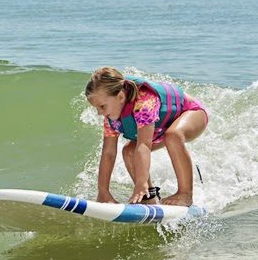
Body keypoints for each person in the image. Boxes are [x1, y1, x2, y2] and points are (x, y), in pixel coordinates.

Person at [85, 66, 208, 206]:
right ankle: (148, 197)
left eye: (102, 106)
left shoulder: (144, 102)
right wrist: (103, 192)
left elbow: (144, 145)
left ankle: (185, 194)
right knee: (129, 151)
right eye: (96, 108)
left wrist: (140, 182)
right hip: (163, 126)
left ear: (120, 97)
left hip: (192, 113)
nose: (99, 113)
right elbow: (108, 153)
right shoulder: (111, 116)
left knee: (173, 136)